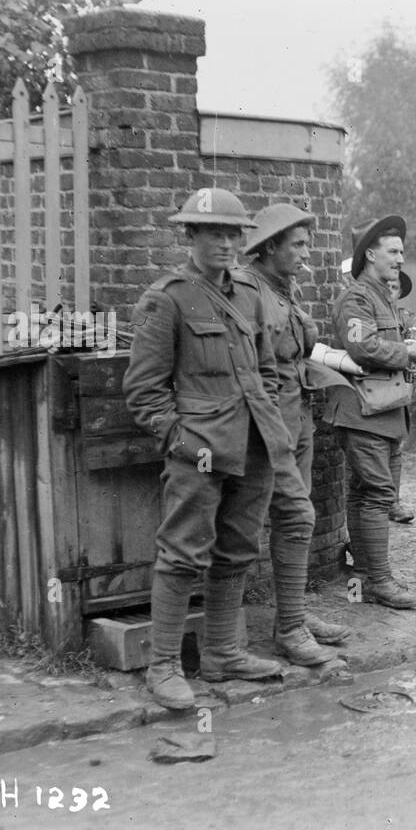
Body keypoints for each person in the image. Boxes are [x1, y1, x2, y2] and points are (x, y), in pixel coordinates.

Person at [123, 187, 288, 709]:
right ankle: (165, 665)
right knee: (181, 554)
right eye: (212, 232)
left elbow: (266, 368)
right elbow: (144, 390)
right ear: (190, 236)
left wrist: (268, 411)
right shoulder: (167, 299)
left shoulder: (248, 293)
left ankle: (222, 652)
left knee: (238, 548)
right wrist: (181, 440)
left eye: (233, 233)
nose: (224, 243)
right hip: (199, 447)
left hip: (254, 443)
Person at [241, 202, 350, 664]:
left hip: (297, 415)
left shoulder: (283, 289)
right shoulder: (248, 290)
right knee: (291, 518)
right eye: (298, 244)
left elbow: (297, 350)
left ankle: (296, 615)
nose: (307, 253)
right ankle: (287, 628)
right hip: (268, 426)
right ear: (270, 247)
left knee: (295, 518)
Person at [325, 215, 416, 609]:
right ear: (369, 254)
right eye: (393, 252)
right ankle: (380, 581)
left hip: (383, 410)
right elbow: (362, 347)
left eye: (402, 252)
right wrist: (408, 351)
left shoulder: (383, 298)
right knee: (376, 494)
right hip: (362, 411)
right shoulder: (356, 298)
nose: (399, 259)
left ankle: (363, 574)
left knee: (364, 495)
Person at [385, 270, 416, 524]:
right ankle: (382, 500)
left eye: (395, 287)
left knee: (396, 447)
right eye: (388, 286)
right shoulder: (373, 314)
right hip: (378, 386)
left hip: (401, 384)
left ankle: (393, 502)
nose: (391, 290)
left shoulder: (404, 317)